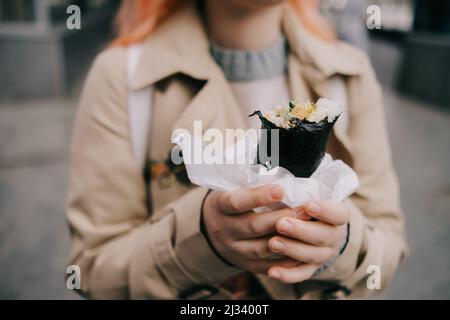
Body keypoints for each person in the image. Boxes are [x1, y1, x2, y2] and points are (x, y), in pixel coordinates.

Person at [67, 0, 408, 299]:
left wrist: (342, 244)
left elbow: (389, 246)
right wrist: (198, 239)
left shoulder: (350, 75)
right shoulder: (121, 78)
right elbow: (92, 271)